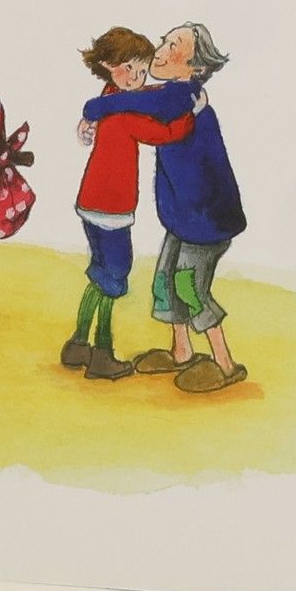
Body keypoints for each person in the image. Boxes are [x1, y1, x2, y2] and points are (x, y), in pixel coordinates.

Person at [79, 24, 247, 393]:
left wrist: (94, 109)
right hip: (183, 217)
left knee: (188, 287)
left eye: (174, 45)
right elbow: (139, 98)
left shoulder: (182, 97)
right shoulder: (169, 94)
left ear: (195, 66)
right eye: (165, 41)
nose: (162, 50)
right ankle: (181, 352)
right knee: (166, 282)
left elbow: (134, 103)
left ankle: (225, 364)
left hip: (206, 221)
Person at [63, 27, 197, 381]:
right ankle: (102, 354)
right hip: (112, 210)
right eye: (130, 69)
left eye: (142, 70)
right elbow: (163, 133)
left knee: (99, 273)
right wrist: (189, 116)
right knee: (114, 278)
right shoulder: (123, 115)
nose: (137, 78)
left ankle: (77, 344)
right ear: (109, 66)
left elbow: (141, 95)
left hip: (91, 204)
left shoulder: (110, 97)